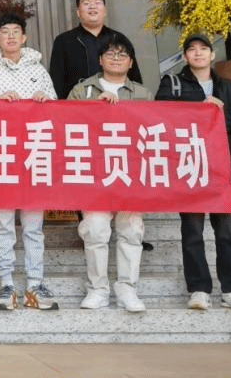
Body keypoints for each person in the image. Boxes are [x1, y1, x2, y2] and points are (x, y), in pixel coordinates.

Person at [155, 33, 231, 313]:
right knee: (192, 232)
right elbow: (161, 117)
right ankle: (198, 288)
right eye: (192, 49)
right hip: (190, 168)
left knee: (228, 233)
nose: (198, 53)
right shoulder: (172, 84)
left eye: (203, 49)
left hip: (224, 171)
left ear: (213, 54)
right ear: (185, 56)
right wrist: (199, 109)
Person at [0, 13, 59, 312]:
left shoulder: (39, 70)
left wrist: (45, 100)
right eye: (5, 32)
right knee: (3, 222)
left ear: (23, 37)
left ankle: (35, 284)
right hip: (2, 154)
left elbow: (57, 109)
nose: (10, 36)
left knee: (34, 225)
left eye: (16, 32)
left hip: (34, 154)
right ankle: (6, 283)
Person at [68, 33, 150, 313]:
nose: (116, 59)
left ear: (131, 63)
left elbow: (151, 130)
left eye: (122, 54)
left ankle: (127, 288)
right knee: (95, 229)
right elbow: (66, 124)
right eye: (111, 54)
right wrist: (94, 108)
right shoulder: (82, 90)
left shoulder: (142, 93)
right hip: (93, 171)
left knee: (132, 230)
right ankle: (98, 289)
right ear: (100, 60)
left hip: (129, 171)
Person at [49, 0, 143, 100]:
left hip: (118, 102)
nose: (92, 6)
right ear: (78, 12)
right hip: (79, 102)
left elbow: (134, 77)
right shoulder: (64, 40)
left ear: (105, 11)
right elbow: (56, 81)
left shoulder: (119, 39)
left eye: (97, 3)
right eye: (86, 3)